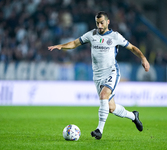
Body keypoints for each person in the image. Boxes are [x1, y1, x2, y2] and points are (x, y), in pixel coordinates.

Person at [48, 11, 150, 140]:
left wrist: (144, 58)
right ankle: (133, 116)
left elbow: (133, 48)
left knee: (103, 95)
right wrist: (60, 46)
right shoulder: (92, 34)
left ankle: (99, 130)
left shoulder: (115, 36)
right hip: (97, 76)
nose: (100, 26)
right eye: (97, 23)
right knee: (111, 108)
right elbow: (74, 43)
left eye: (102, 23)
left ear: (108, 22)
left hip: (112, 72)